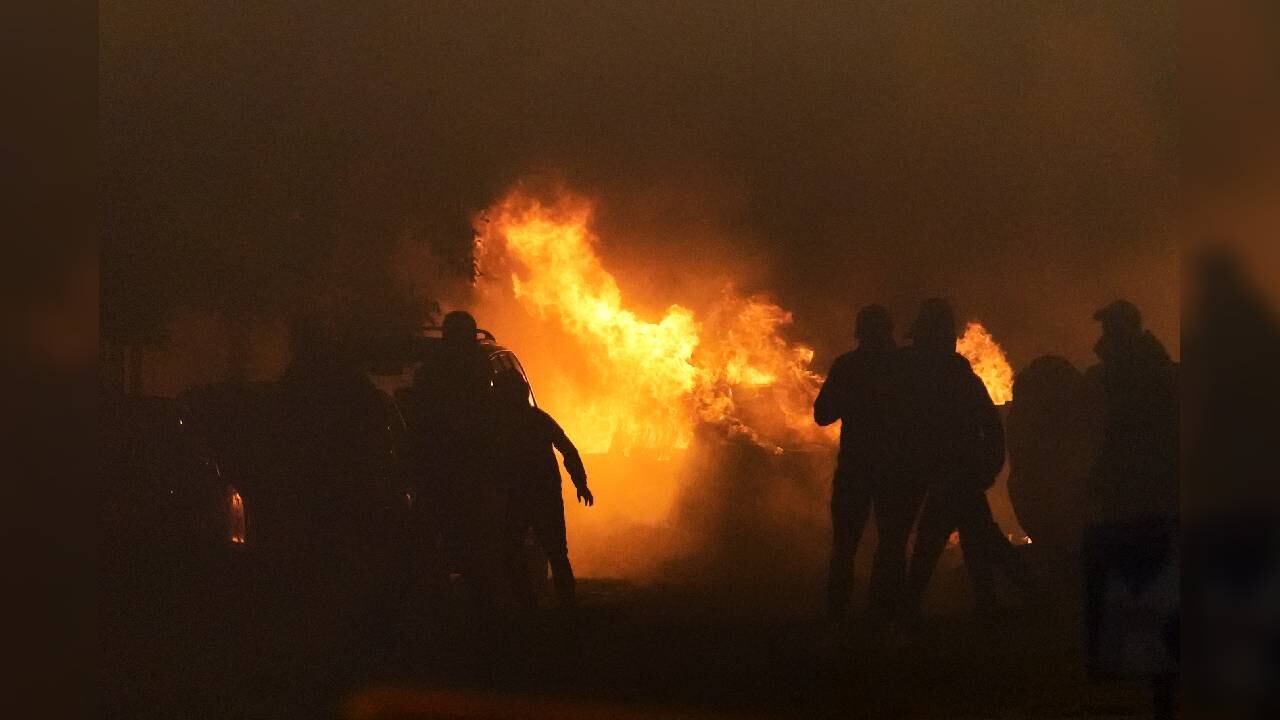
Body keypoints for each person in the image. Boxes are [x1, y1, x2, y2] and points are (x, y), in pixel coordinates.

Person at [895, 299, 1033, 625]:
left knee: (941, 542)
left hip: (955, 475)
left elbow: (990, 426)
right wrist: (988, 468)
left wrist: (987, 467)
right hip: (958, 476)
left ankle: (909, 613)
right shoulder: (946, 379)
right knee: (980, 538)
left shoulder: (952, 380)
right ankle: (1004, 600)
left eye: (924, 338)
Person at [814, 304, 917, 626]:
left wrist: (852, 398)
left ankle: (837, 622)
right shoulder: (905, 367)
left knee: (846, 546)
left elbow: (822, 414)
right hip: (894, 469)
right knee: (892, 546)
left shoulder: (848, 366)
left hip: (857, 468)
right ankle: (884, 620)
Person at [491, 372, 593, 608]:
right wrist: (580, 483)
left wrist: (581, 482)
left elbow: (567, 449)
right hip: (537, 495)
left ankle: (532, 603)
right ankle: (559, 605)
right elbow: (567, 449)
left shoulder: (501, 425)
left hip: (525, 496)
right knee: (551, 551)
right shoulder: (536, 419)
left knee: (523, 550)